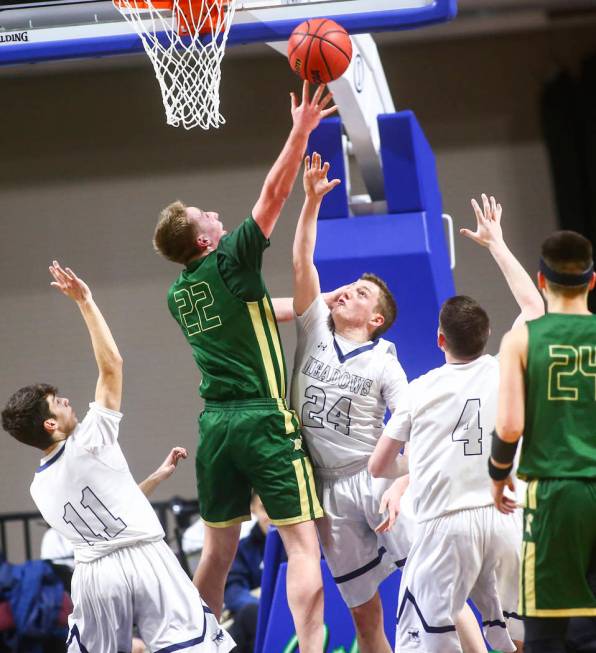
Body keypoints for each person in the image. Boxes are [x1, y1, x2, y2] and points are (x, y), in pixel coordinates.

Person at [152, 82, 336, 653]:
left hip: (215, 427)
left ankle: (195, 645)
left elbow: (256, 314)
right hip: (260, 418)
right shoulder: (230, 257)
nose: (214, 211)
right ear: (206, 239)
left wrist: (318, 306)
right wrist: (301, 129)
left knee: (217, 551)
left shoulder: (180, 294)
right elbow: (274, 191)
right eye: (204, 213)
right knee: (303, 545)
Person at [1, 262, 233, 653]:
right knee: (195, 647)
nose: (68, 402)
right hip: (145, 558)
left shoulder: (39, 487)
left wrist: (154, 478)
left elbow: (108, 514)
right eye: (58, 404)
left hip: (94, 577)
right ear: (49, 426)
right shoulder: (90, 438)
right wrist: (86, 302)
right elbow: (112, 367)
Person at [369, 195, 544, 653]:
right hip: (507, 517)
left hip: (445, 526)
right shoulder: (505, 367)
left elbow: (379, 466)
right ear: (488, 338)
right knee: (514, 637)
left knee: (427, 640)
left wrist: (408, 475)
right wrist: (497, 244)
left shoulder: (421, 389)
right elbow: (534, 308)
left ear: (440, 338)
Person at [287, 152, 411, 653]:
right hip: (329, 490)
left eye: (359, 294)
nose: (345, 295)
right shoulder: (314, 323)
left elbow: (410, 416)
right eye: (348, 289)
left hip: (375, 477)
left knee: (432, 588)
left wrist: (401, 482)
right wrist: (311, 202)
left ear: (375, 318)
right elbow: (302, 261)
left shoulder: (385, 359)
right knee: (365, 616)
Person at [490, 230, 596, 653]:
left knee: (549, 632)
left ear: (540, 280)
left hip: (556, 493)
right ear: (591, 281)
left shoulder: (522, 339)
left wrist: (498, 475)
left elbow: (511, 425)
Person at [40, 445, 188, 653]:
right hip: (103, 583)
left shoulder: (53, 482)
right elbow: (117, 513)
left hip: (116, 581)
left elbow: (121, 509)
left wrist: (156, 477)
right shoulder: (59, 484)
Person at [224, 494, 272, 653]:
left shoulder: (305, 545)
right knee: (252, 614)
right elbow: (233, 592)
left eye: (276, 506)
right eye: (265, 508)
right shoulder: (242, 549)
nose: (272, 516)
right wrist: (267, 608)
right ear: (253, 509)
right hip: (259, 620)